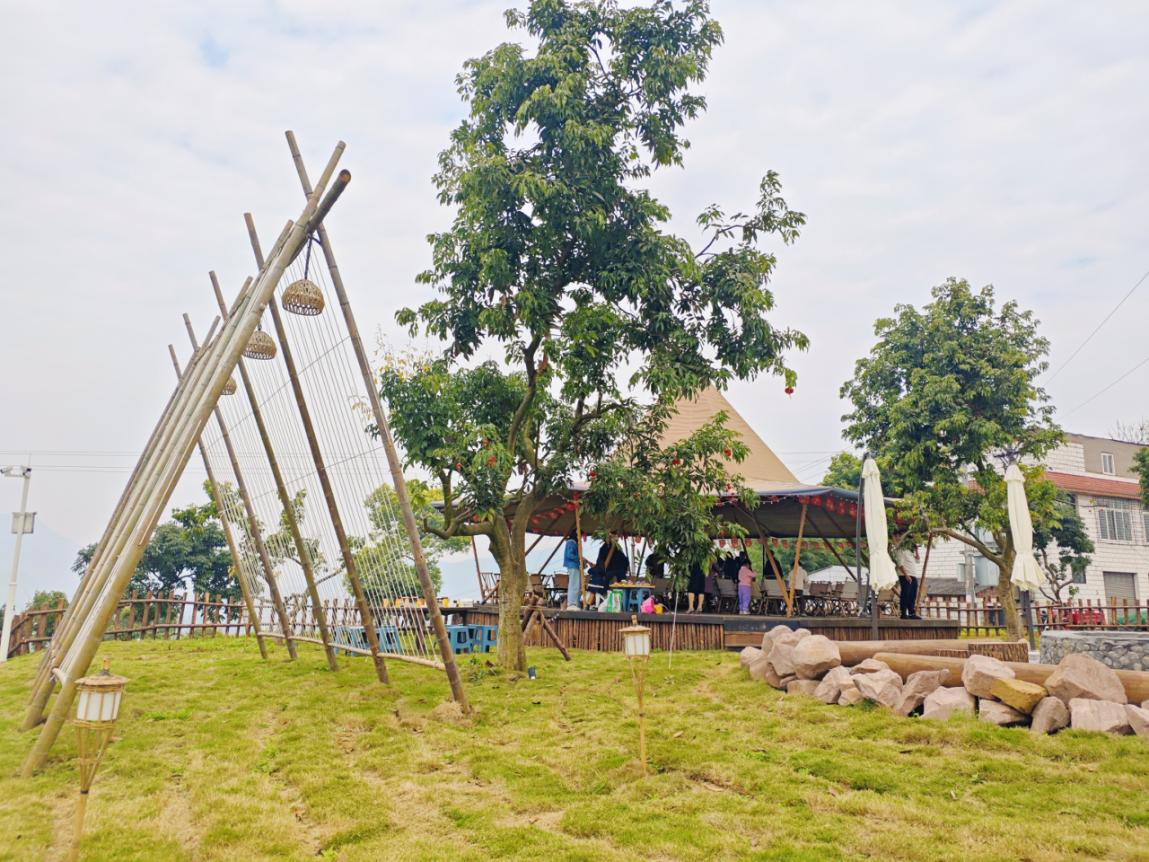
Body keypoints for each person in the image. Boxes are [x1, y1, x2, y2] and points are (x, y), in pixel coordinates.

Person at [896, 549, 920, 619]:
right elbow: (900, 564)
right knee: (905, 594)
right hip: (905, 575)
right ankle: (903, 613)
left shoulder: (911, 552)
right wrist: (906, 575)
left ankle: (911, 613)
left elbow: (918, 561)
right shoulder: (901, 550)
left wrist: (916, 550)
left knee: (912, 595)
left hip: (913, 575)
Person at [562, 530, 584, 610]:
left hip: (574, 566)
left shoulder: (572, 542)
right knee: (574, 585)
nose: (580, 538)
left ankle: (575, 603)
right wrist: (578, 558)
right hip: (573, 566)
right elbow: (570, 555)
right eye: (580, 536)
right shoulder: (571, 542)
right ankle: (572, 604)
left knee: (576, 585)